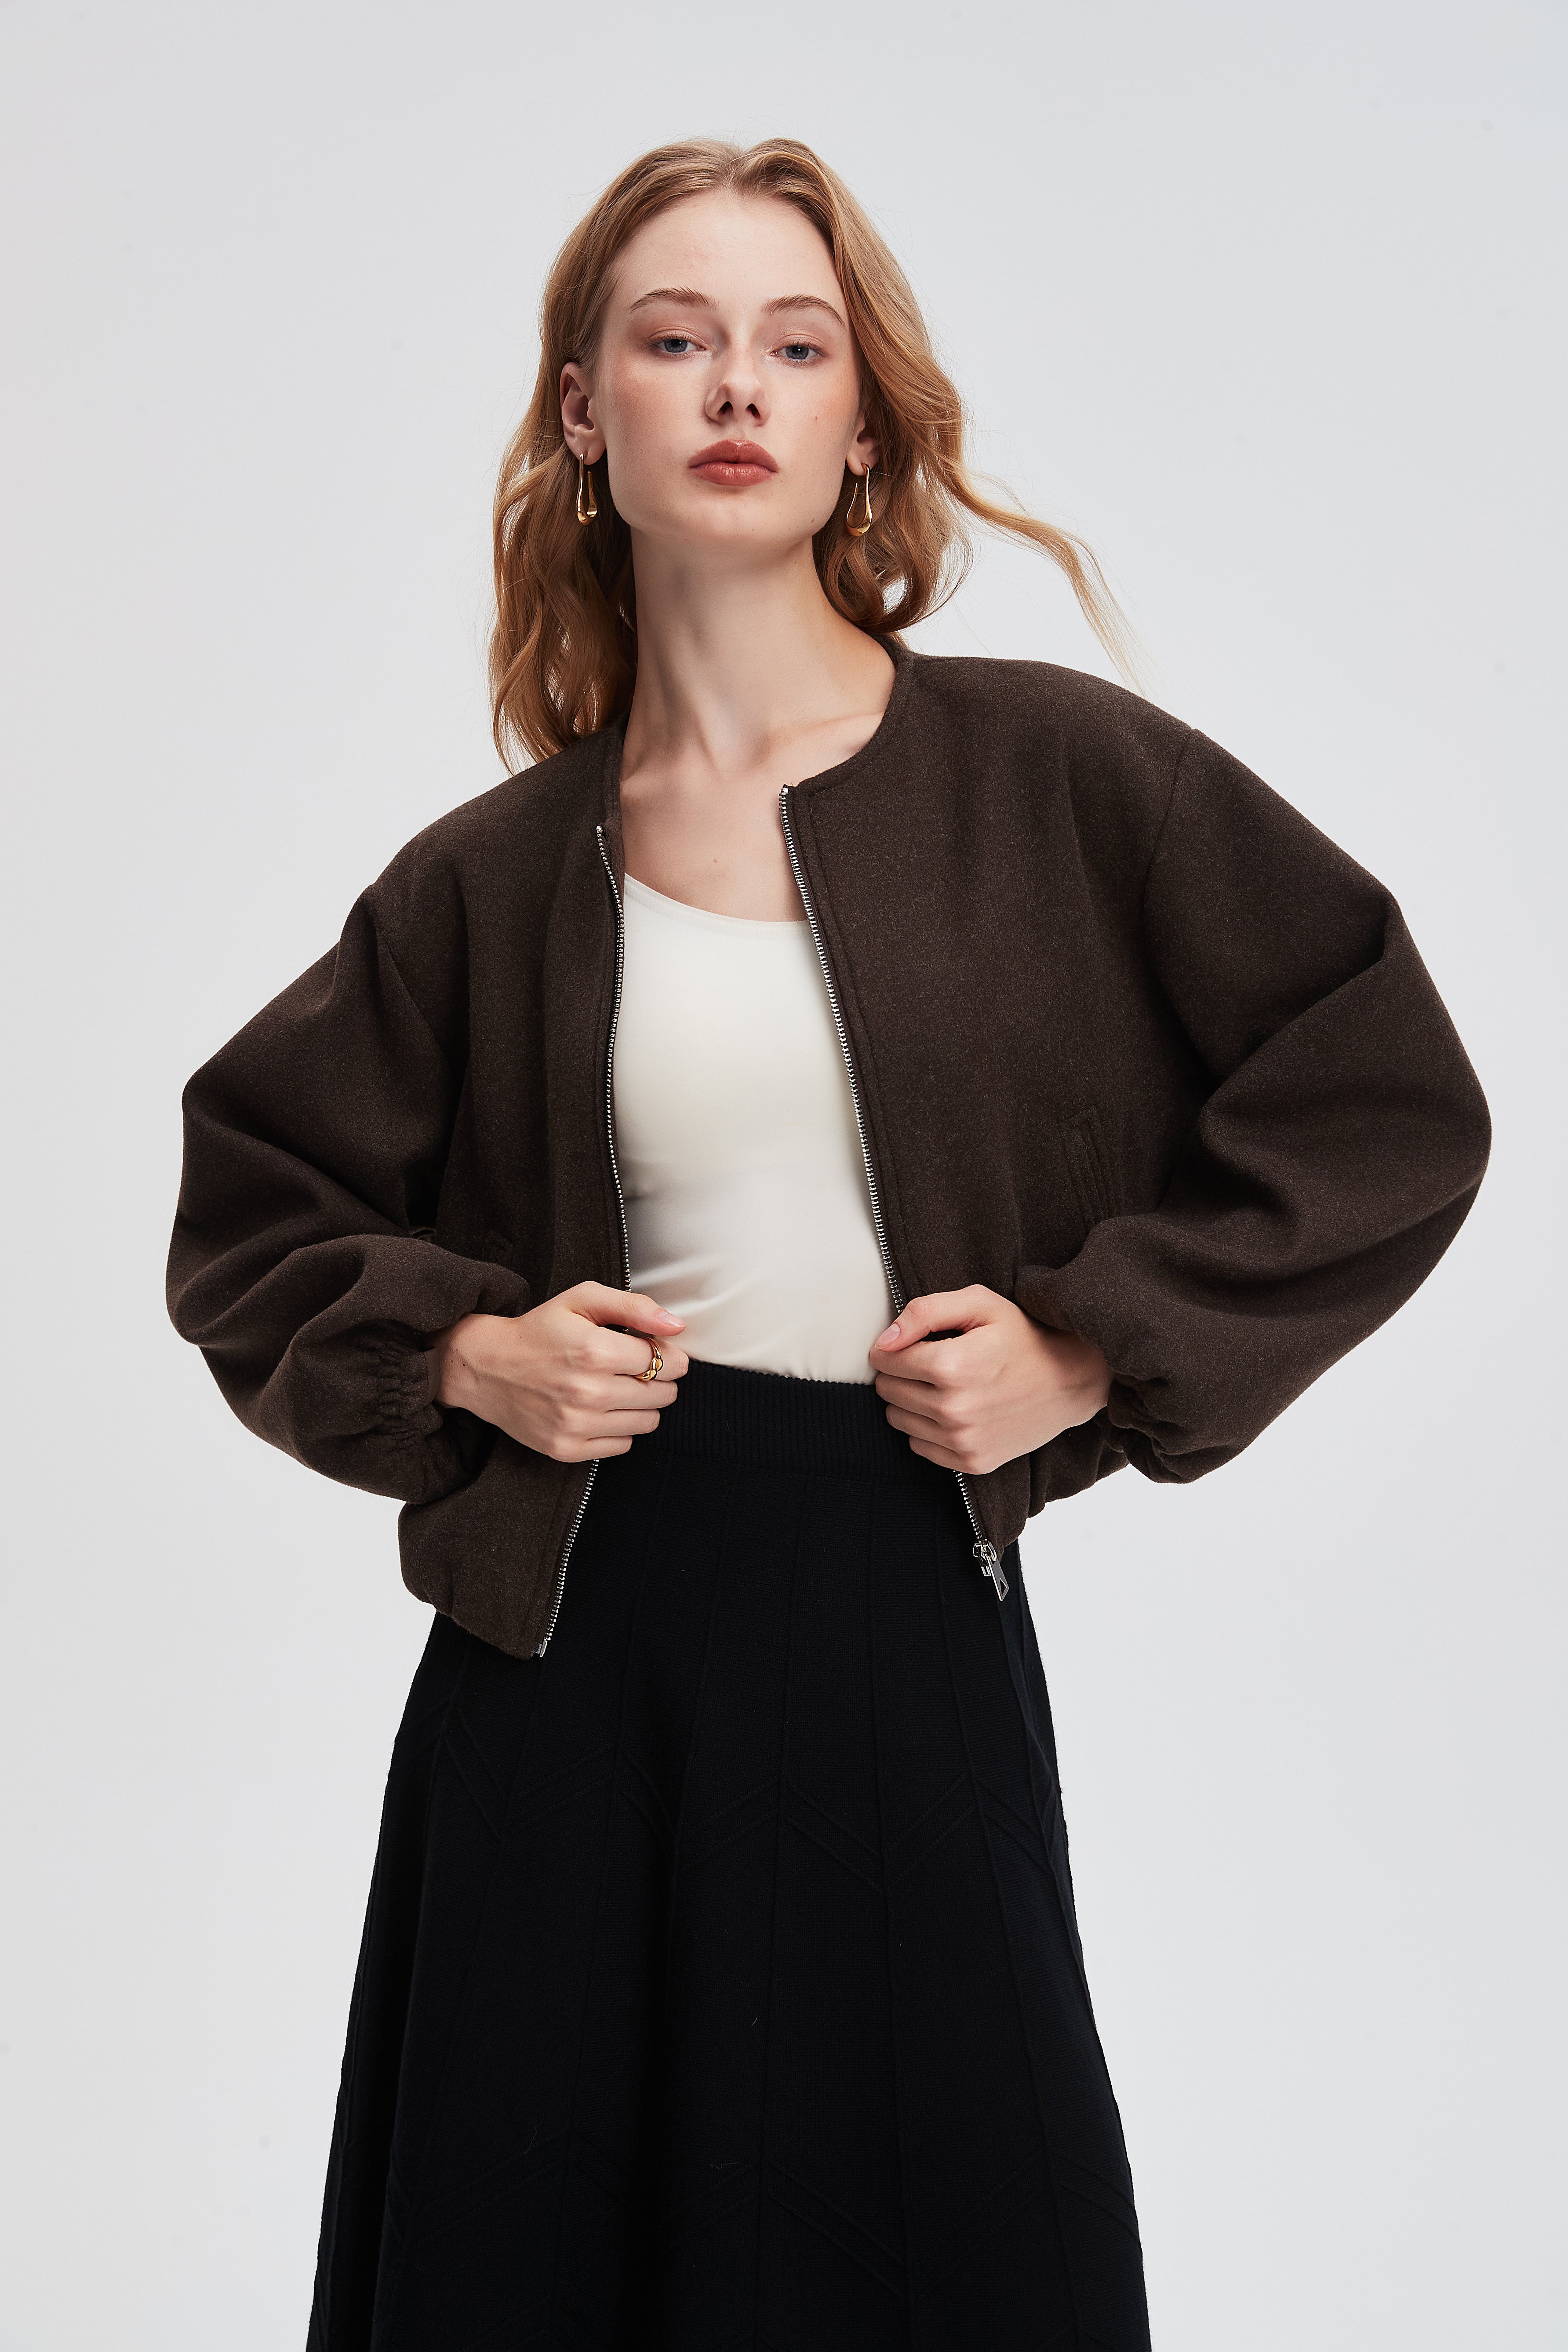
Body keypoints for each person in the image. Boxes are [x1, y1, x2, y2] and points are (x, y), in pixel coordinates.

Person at [166, 137, 1490, 2351]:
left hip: (895, 1596)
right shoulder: (491, 875)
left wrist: (1092, 1346)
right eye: (672, 340)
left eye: (794, 346)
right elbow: (250, 1206)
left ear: (861, 422)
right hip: (564, 1648)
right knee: (532, 2257)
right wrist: (470, 1354)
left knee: (956, 2242)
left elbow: (1383, 1091)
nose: (734, 388)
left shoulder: (1058, 774)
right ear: (583, 408)